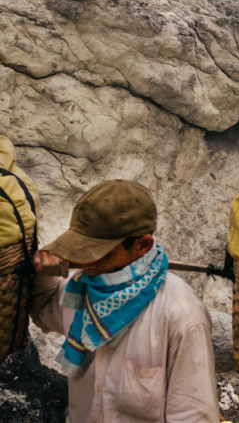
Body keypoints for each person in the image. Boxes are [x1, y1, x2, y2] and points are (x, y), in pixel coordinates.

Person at [30, 179, 219, 422]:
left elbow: (193, 416)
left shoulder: (182, 315)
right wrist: (44, 270)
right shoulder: (83, 288)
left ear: (142, 244)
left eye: (99, 251)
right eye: (81, 249)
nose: (88, 261)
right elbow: (43, 304)